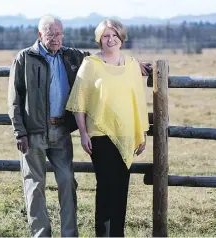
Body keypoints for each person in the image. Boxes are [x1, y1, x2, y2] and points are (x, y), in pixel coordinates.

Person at [65, 18, 150, 237]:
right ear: (99, 40)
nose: (110, 40)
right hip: (99, 135)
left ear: (121, 38)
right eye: (105, 36)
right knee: (105, 187)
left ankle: (117, 234)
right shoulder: (91, 64)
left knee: (122, 188)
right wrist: (83, 133)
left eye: (114, 35)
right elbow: (79, 102)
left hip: (127, 135)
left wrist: (141, 133)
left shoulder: (132, 64)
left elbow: (138, 100)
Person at [7, 15, 89, 237]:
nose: (56, 38)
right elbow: (14, 99)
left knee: (67, 182)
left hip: (61, 131)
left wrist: (132, 64)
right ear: (39, 35)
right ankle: (41, 234)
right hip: (33, 135)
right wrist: (19, 132)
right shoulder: (24, 58)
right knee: (34, 187)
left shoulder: (72, 56)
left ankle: (69, 234)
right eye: (50, 34)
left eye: (59, 33)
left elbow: (102, 61)